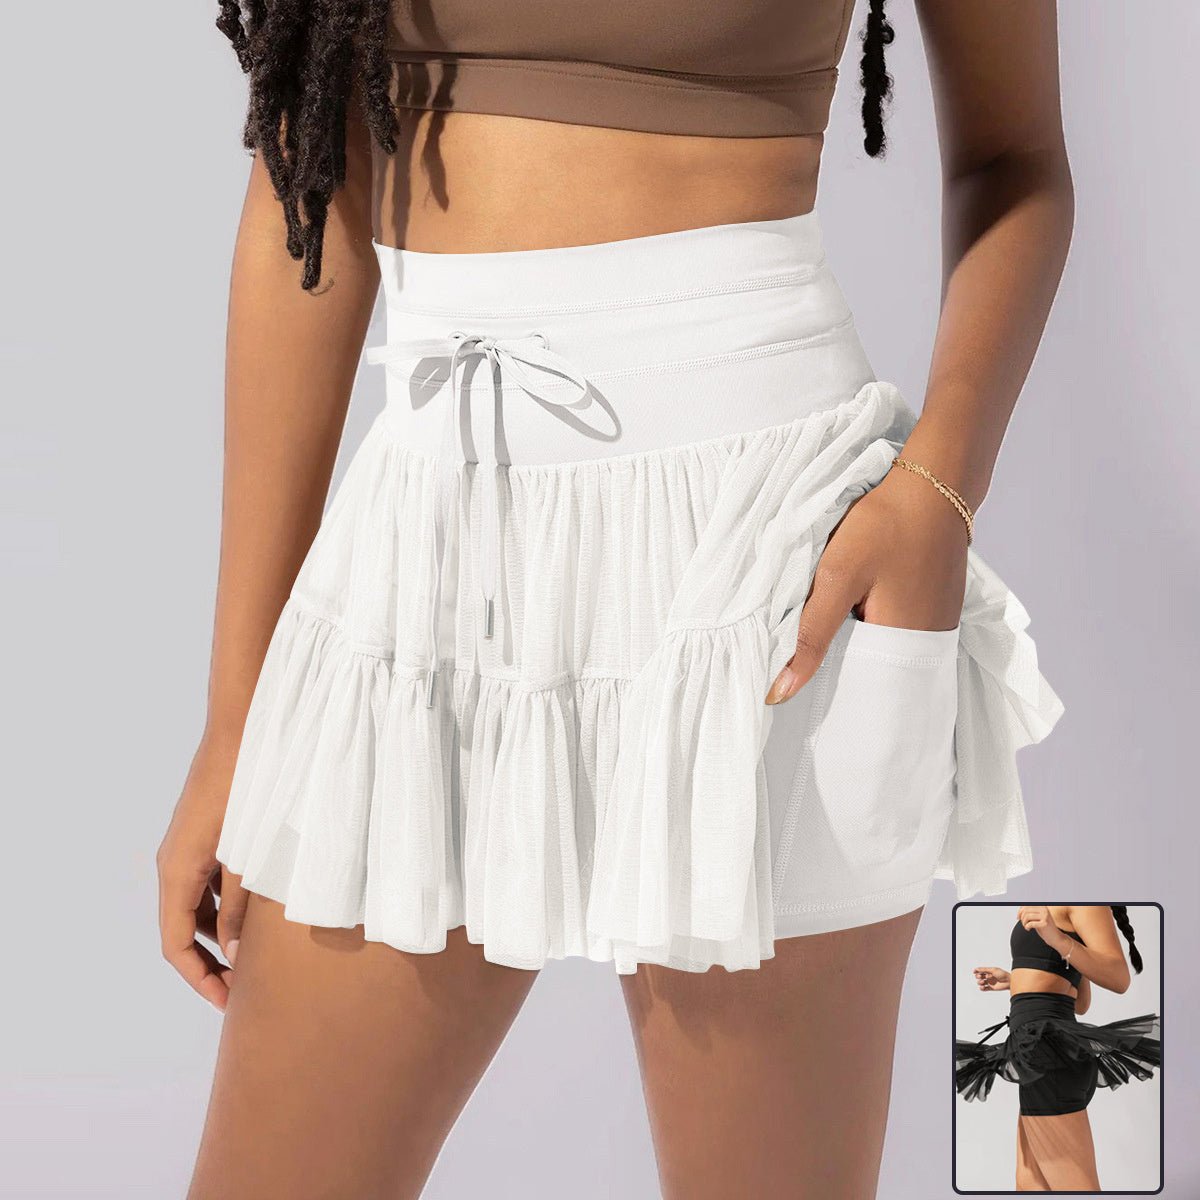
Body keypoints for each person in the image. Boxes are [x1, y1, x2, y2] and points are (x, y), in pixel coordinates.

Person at [158, 2, 1073, 1196]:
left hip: (767, 556)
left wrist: (938, 494)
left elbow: (1017, 159)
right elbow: (303, 191)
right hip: (424, 559)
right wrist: (236, 720)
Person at [957, 904, 1162, 1191]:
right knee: (1029, 1185)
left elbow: (1119, 978)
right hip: (1039, 1052)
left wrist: (1057, 938)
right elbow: (1080, 1002)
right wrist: (1015, 982)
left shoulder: (1083, 902)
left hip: (1050, 1055)